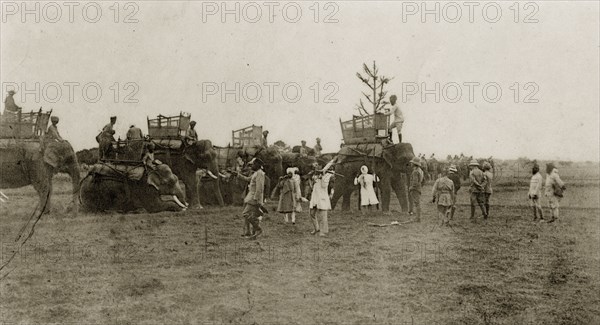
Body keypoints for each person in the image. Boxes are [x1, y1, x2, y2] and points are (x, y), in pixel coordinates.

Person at [239, 158, 265, 239]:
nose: (251, 166)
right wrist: (237, 175)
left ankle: (258, 229)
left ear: (257, 165)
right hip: (251, 197)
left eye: (253, 164)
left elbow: (259, 188)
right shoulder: (256, 173)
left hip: (253, 198)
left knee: (246, 214)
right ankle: (253, 233)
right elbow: (248, 179)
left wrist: (256, 199)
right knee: (251, 215)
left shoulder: (260, 174)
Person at [309, 163, 333, 237]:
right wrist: (312, 178)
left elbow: (324, 185)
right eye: (315, 166)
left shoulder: (327, 175)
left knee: (323, 215)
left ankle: (323, 231)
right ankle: (317, 228)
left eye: (317, 165)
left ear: (321, 166)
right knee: (312, 213)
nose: (316, 167)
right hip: (315, 197)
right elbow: (312, 185)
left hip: (322, 197)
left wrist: (322, 176)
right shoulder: (315, 174)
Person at [408, 157, 424, 222]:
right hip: (418, 188)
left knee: (417, 203)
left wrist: (411, 188)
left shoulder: (415, 171)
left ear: (414, 164)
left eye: (412, 163)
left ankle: (418, 218)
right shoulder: (420, 170)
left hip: (415, 189)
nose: (411, 164)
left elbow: (415, 182)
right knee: (418, 203)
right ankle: (418, 217)